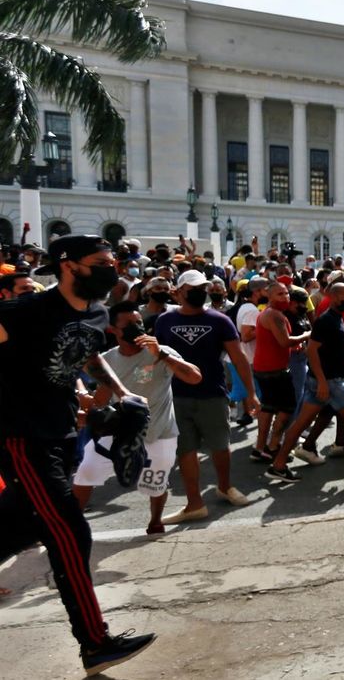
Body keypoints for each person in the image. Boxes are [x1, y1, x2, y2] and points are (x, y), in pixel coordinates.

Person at [0, 235, 156, 674]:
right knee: (68, 531)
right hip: (23, 439)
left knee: (16, 527)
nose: (112, 268)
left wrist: (121, 393)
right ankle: (95, 642)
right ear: (68, 265)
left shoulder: (97, 312)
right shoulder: (24, 311)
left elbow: (89, 355)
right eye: (101, 262)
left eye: (113, 261)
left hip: (65, 433)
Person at [74, 302, 203, 534]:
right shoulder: (108, 359)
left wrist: (162, 354)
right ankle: (69, 524)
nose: (137, 327)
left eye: (139, 322)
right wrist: (85, 401)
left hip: (159, 432)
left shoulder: (161, 352)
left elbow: (195, 378)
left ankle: (155, 521)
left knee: (156, 483)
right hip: (120, 430)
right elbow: (101, 400)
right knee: (87, 470)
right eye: (129, 324)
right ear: (113, 329)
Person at [154, 269, 256, 524]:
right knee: (186, 449)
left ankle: (225, 486)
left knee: (220, 445)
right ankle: (194, 503)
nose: (201, 292)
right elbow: (155, 359)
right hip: (176, 396)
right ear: (179, 292)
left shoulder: (220, 320)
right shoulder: (164, 321)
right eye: (194, 289)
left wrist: (251, 394)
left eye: (203, 288)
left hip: (213, 394)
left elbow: (239, 358)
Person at [264, 283, 344, 483]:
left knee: (301, 423)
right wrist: (323, 382)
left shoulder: (337, 318)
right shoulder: (326, 320)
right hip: (330, 381)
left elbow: (336, 345)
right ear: (333, 297)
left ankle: (278, 466)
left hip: (324, 380)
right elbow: (311, 350)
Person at [249, 282, 311, 462]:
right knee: (287, 408)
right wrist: (307, 335)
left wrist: (294, 346)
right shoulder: (274, 315)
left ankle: (260, 448)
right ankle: (273, 447)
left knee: (268, 408)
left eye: (286, 294)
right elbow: (285, 341)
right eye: (280, 294)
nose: (285, 297)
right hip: (274, 370)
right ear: (269, 296)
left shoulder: (271, 314)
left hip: (266, 368)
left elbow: (278, 342)